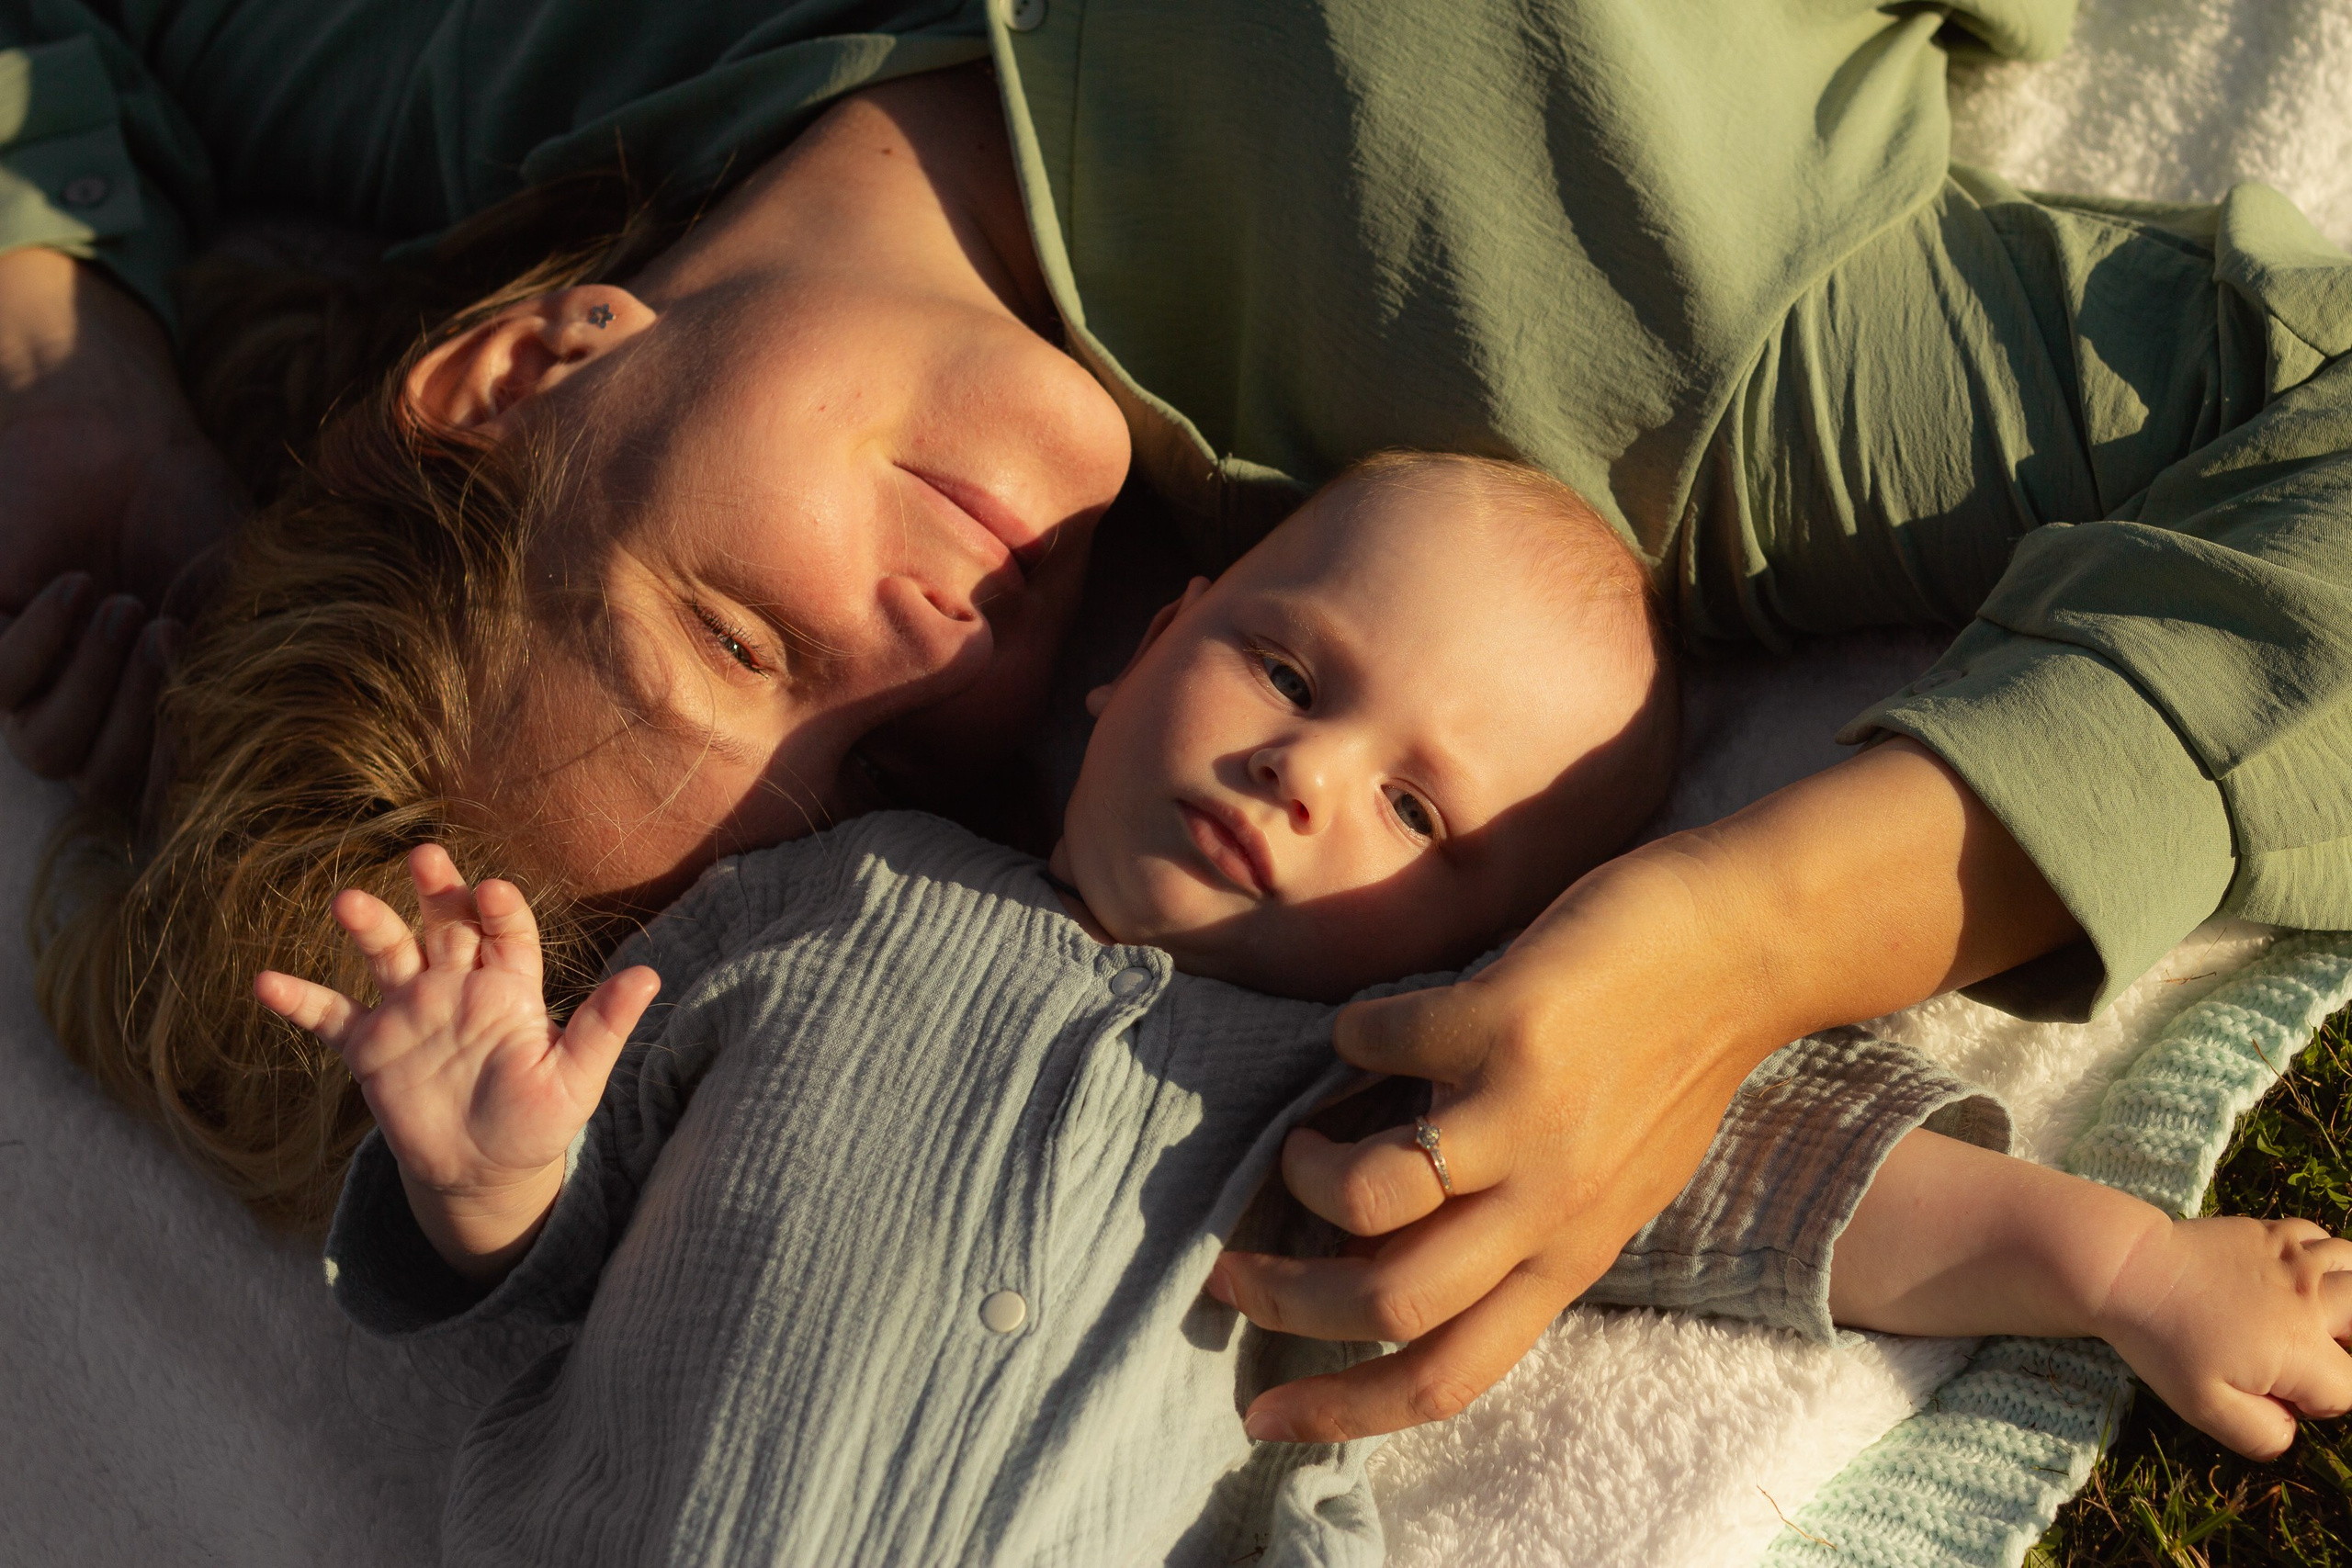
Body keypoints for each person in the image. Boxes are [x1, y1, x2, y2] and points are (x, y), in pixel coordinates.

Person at [8, 0, 2351, 1443]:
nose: (937, 658)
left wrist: (62, 353)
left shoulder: (474, 67)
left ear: (525, 367)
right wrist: (1745, 944)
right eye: (895, 783)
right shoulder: (1631, 397)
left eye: (728, 635)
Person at [264, 457, 2351, 1566]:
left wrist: (2116, 1265)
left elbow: (1771, 1170)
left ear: (1511, 923)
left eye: (1420, 811)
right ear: (1149, 639)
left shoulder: (1391, 1073)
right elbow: (555, 1243)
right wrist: (489, 1175)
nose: (1302, 772)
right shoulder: (829, 891)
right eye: (1285, 669)